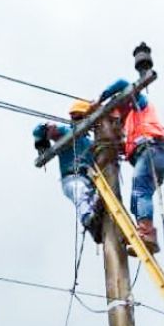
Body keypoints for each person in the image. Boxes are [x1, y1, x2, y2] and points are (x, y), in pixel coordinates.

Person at [99, 78, 164, 251]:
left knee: (140, 190)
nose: (118, 119)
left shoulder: (139, 104)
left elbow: (122, 82)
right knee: (135, 201)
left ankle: (146, 232)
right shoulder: (129, 123)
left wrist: (100, 99)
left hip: (152, 150)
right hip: (150, 155)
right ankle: (146, 235)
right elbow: (127, 146)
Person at [33, 99, 103, 242]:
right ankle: (89, 220)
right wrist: (46, 128)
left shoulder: (91, 143)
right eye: (74, 117)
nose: (76, 120)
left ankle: (99, 229)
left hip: (91, 182)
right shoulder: (68, 132)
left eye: (79, 117)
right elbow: (38, 131)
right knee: (81, 194)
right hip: (72, 178)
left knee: (99, 202)